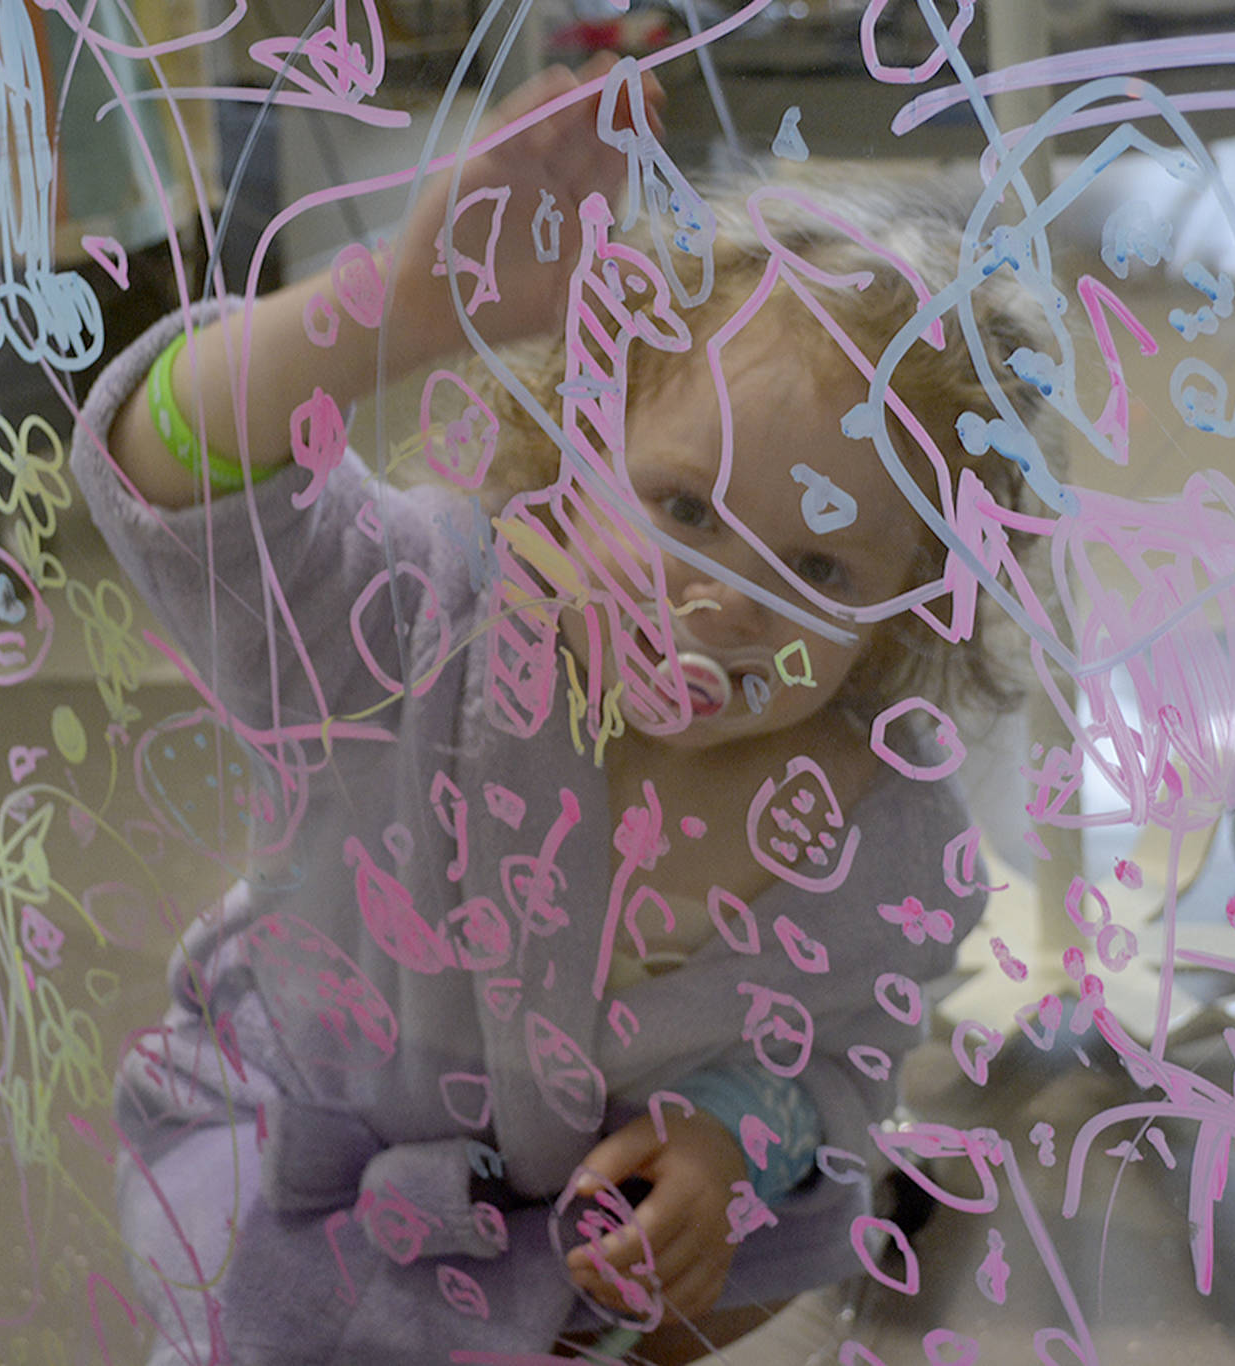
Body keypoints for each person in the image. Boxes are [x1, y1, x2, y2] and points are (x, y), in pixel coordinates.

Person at [70, 55, 1055, 1366]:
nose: (722, 600)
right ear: (577, 453)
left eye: (819, 567)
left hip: (563, 1247)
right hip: (289, 1175)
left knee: (786, 1246)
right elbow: (169, 475)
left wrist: (725, 1132)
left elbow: (837, 1058)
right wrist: (394, 309)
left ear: (908, 606)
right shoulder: (423, 625)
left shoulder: (888, 835)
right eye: (684, 508)